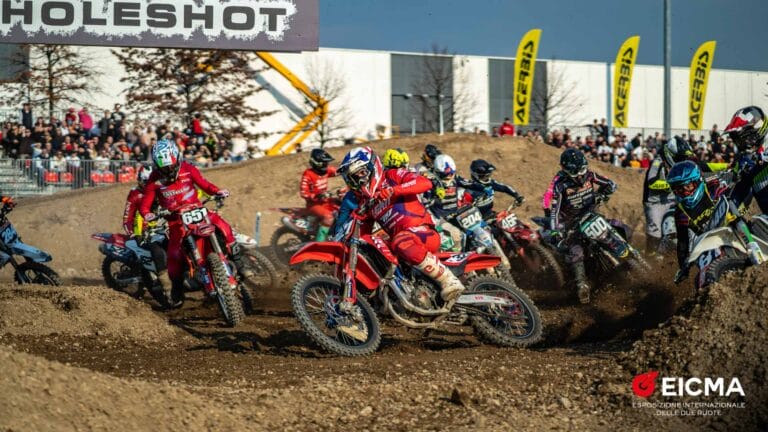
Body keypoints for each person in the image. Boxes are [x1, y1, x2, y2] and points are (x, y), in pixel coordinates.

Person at [333, 147, 465, 303]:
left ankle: (449, 280)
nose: (357, 181)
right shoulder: (369, 202)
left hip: (423, 232)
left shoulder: (392, 175)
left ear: (372, 167)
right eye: (352, 178)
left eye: (360, 174)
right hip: (403, 242)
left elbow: (424, 183)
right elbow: (364, 233)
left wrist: (393, 190)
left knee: (401, 241)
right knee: (377, 253)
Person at [139, 139, 245, 307]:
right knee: (173, 256)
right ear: (157, 166)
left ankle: (239, 262)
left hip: (198, 211)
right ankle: (177, 289)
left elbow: (204, 184)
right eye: (164, 168)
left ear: (177, 159)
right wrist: (147, 214)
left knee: (224, 227)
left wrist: (218, 191)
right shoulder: (154, 180)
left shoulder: (188, 169)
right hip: (175, 221)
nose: (168, 170)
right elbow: (145, 205)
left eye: (171, 166)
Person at [549, 149, 617, 303]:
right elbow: (554, 211)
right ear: (566, 171)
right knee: (576, 251)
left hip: (593, 215)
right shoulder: (560, 186)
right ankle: (582, 285)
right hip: (573, 224)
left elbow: (611, 184)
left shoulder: (590, 175)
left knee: (621, 227)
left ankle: (634, 257)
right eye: (575, 172)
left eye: (582, 170)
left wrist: (606, 191)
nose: (580, 176)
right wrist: (555, 231)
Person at [667, 161, 731, 284]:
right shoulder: (681, 213)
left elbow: (733, 188)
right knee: (701, 279)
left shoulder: (713, 187)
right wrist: (683, 267)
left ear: (697, 181)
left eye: (688, 187)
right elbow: (683, 243)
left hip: (731, 227)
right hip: (710, 243)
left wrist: (739, 170)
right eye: (679, 190)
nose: (685, 193)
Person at [122, 165, 172, 299]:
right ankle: (165, 286)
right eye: (145, 181)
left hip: (165, 225)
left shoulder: (162, 187)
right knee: (158, 252)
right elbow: (127, 219)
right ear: (139, 180)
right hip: (146, 231)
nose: (147, 184)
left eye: (150, 181)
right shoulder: (135, 194)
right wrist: (134, 234)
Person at [422, 154, 473, 252]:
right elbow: (425, 202)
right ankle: (457, 256)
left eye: (451, 174)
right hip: (438, 218)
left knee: (470, 231)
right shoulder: (431, 182)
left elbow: (470, 184)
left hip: (454, 215)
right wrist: (433, 195)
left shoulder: (456, 178)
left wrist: (484, 186)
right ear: (438, 173)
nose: (449, 177)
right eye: (445, 175)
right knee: (455, 236)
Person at [726, 106, 768, 214]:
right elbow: (739, 192)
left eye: (742, 140)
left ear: (756, 133)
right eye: (737, 141)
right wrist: (727, 212)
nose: (739, 145)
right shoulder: (746, 160)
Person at [459, 159, 524, 219]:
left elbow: (505, 187)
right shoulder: (470, 190)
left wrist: (517, 196)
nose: (488, 178)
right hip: (478, 220)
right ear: (477, 176)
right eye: (486, 176)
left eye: (489, 175)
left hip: (491, 214)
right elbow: (463, 209)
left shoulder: (491, 183)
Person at [300, 148, 338, 242]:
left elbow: (339, 171)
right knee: (328, 217)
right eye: (324, 163)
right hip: (313, 205)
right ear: (317, 163)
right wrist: (316, 195)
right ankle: (319, 244)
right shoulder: (308, 174)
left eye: (326, 163)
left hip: (326, 201)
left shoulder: (327, 171)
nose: (326, 165)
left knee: (342, 204)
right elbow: (303, 193)